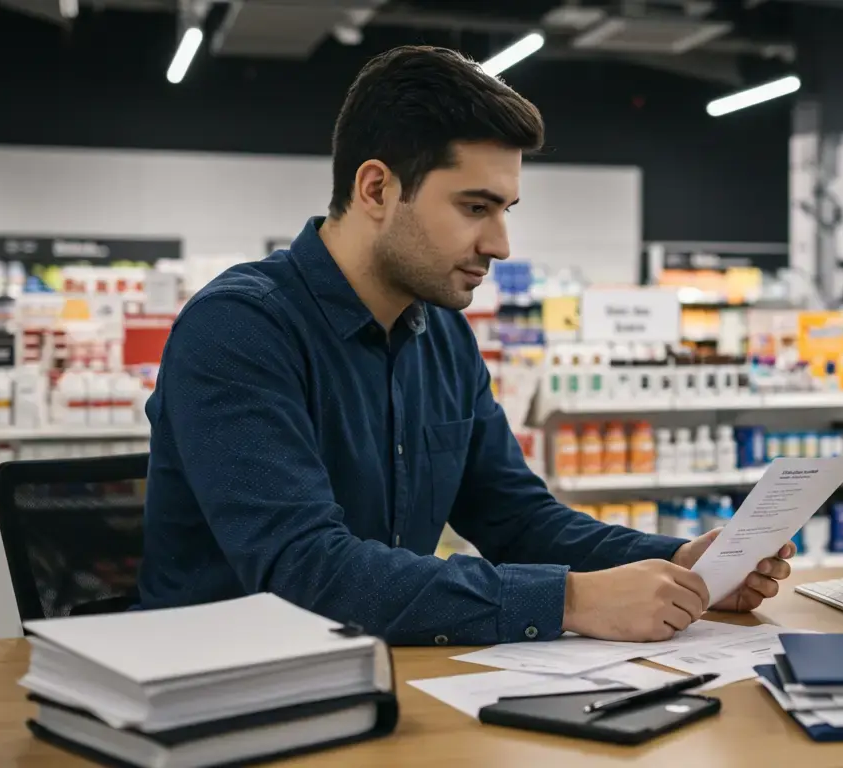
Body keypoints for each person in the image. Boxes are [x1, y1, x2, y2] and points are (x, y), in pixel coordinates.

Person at [135, 45, 794, 645]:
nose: (500, 245)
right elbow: (306, 569)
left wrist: (679, 565)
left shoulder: (442, 335)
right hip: (219, 687)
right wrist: (571, 600)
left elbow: (516, 518)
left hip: (381, 674)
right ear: (376, 189)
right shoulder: (240, 329)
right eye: (476, 208)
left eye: (506, 210)